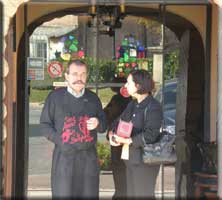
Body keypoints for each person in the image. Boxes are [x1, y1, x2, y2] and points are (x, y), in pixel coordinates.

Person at [40, 59, 106, 199]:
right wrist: (61, 140)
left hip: (88, 160)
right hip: (64, 159)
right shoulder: (55, 98)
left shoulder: (93, 99)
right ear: (66, 76)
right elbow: (45, 125)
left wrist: (98, 123)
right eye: (75, 74)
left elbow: (104, 125)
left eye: (83, 74)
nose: (79, 78)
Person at [108, 70, 162, 199]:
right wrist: (112, 135)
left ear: (138, 86)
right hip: (131, 160)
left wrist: (127, 141)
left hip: (145, 162)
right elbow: (118, 122)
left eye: (128, 82)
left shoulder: (153, 106)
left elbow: (151, 135)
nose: (125, 86)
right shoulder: (133, 104)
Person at [103, 77, 131, 199]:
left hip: (118, 139)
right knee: (124, 169)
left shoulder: (117, 100)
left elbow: (107, 115)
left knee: (119, 168)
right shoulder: (131, 100)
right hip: (126, 139)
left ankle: (121, 193)